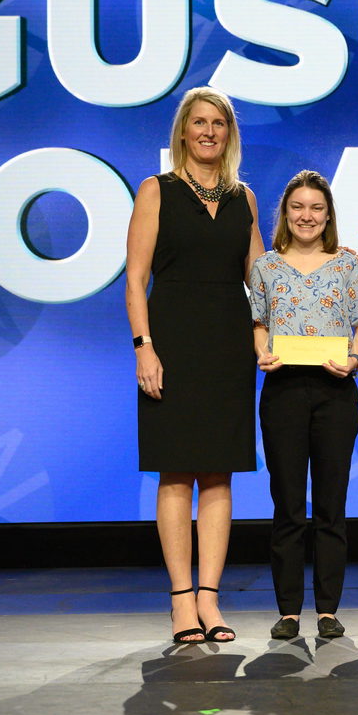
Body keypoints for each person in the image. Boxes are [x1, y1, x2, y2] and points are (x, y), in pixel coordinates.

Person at [124, 86, 263, 644]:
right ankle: (182, 600)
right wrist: (144, 346)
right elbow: (135, 278)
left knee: (220, 472)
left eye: (219, 124)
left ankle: (211, 599)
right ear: (183, 130)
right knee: (176, 470)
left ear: (229, 134)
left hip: (228, 346)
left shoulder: (244, 198)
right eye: (199, 122)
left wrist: (324, 272)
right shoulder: (156, 191)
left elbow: (262, 280)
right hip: (172, 344)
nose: (209, 132)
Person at [249, 170, 358, 641]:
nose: (307, 215)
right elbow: (259, 321)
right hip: (283, 392)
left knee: (331, 505)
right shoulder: (266, 267)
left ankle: (327, 609)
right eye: (298, 206)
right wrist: (262, 349)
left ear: (328, 215)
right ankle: (288, 610)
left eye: (316, 207)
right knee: (288, 505)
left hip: (336, 391)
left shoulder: (348, 266)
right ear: (285, 213)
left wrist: (357, 357)